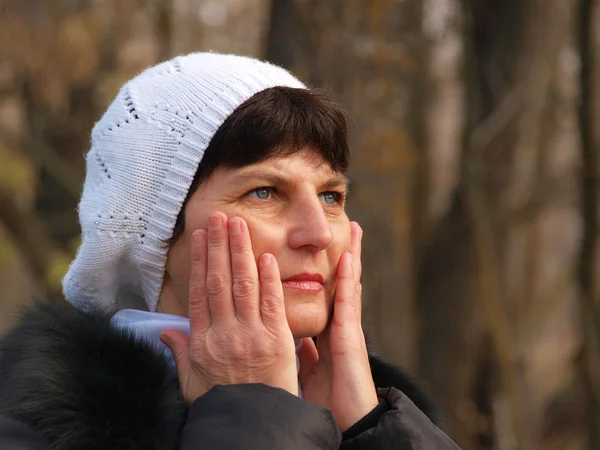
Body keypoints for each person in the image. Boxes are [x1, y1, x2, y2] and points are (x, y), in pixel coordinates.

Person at [0, 52, 460, 449]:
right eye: (264, 192)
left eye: (330, 196)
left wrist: (370, 429)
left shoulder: (379, 415)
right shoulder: (29, 427)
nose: (318, 232)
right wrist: (254, 409)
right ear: (155, 234)